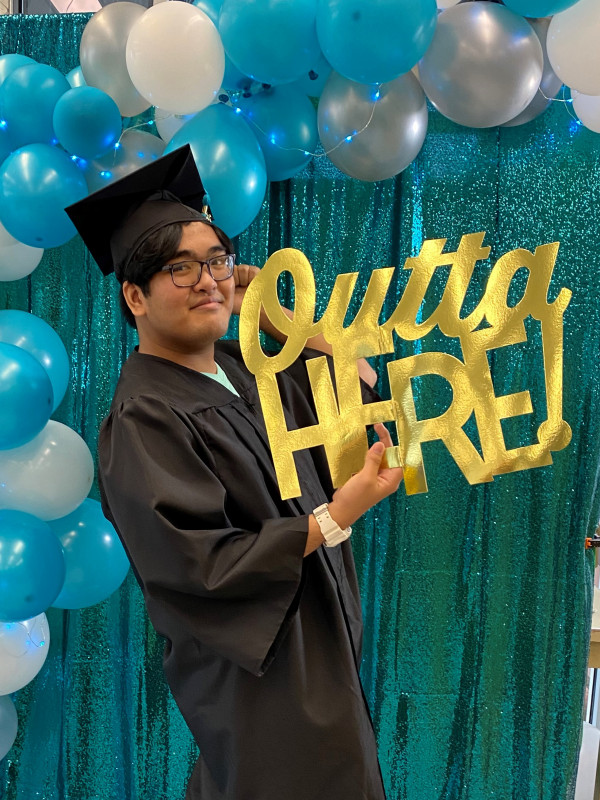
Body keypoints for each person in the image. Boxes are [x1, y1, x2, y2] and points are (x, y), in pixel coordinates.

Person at [66, 146, 403, 800]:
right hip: (261, 669)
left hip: (318, 640)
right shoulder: (144, 419)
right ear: (134, 296)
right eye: (180, 269)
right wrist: (337, 515)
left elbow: (357, 388)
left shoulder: (244, 369)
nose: (209, 281)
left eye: (217, 261)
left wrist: (277, 317)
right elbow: (199, 567)